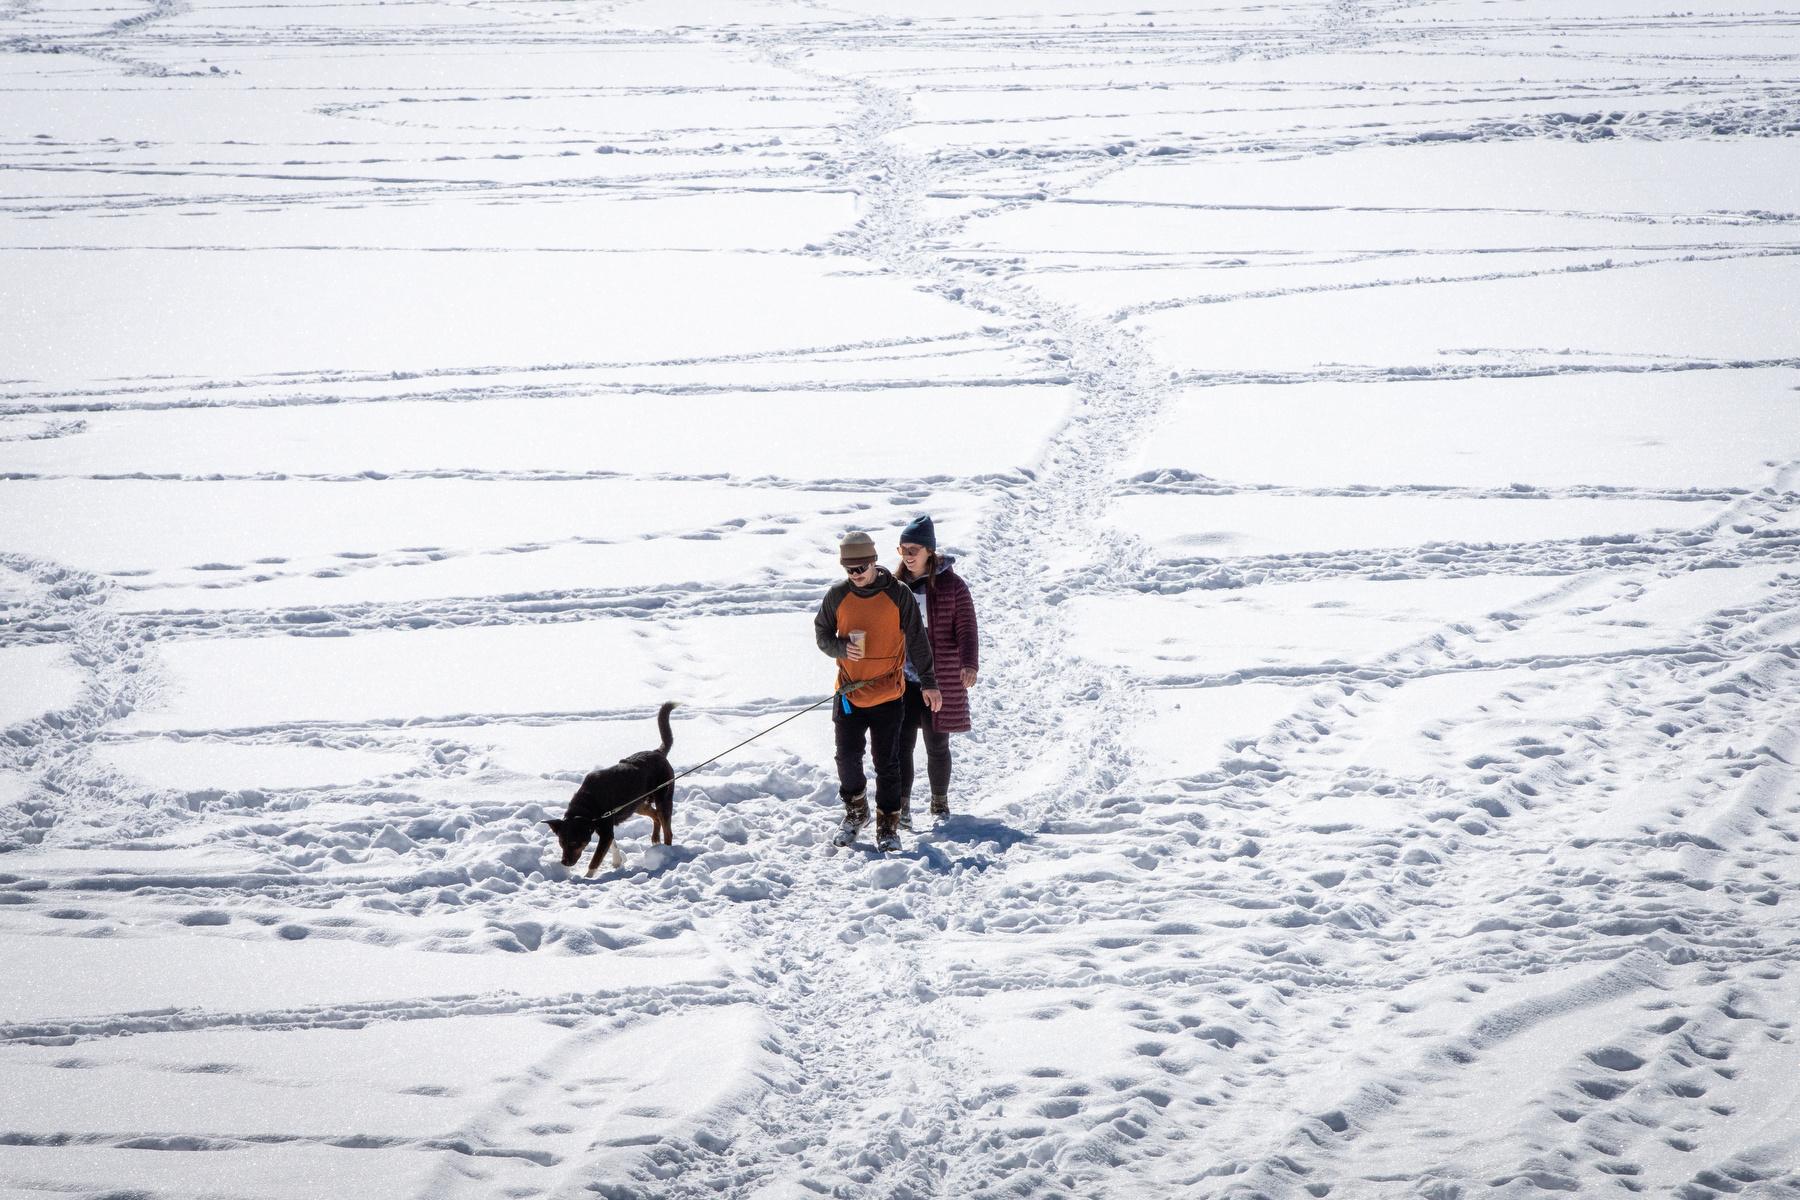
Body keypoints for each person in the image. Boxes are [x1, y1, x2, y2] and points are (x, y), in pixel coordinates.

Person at [814, 531, 940, 850]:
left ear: (873, 561)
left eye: (861, 568)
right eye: (850, 570)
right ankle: (857, 812)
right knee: (846, 758)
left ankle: (888, 825)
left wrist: (929, 683)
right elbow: (822, 634)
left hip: (888, 695)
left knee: (888, 763)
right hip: (848, 695)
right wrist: (840, 647)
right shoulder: (837, 596)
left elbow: (917, 641)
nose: (856, 576)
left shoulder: (898, 595)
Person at [892, 514, 979, 829]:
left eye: (914, 548)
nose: (909, 555)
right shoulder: (894, 585)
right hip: (903, 680)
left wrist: (969, 663)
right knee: (901, 744)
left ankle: (939, 801)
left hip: (939, 678)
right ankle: (901, 806)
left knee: (936, 742)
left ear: (929, 550)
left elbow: (967, 628)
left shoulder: (952, 586)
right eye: (904, 549)